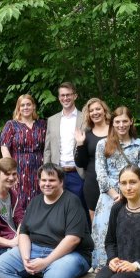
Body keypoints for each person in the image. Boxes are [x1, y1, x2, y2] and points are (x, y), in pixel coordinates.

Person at [0, 163, 93, 278]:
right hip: (35, 248)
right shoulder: (35, 201)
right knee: (2, 264)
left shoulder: (72, 202)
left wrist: (46, 262)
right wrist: (25, 258)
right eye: (43, 180)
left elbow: (73, 239)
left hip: (70, 254)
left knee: (56, 276)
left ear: (61, 182)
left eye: (52, 180)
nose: (47, 184)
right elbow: (24, 233)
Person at [91, 106, 140, 270]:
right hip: (109, 196)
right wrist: (115, 195)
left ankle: (130, 265)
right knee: (105, 232)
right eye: (117, 122)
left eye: (125, 121)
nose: (121, 125)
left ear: (131, 122)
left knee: (133, 231)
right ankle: (103, 266)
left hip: (134, 195)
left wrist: (129, 193)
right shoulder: (103, 144)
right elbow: (101, 173)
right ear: (112, 123)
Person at [43, 82, 86, 210]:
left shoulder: (85, 118)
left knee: (77, 209)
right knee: (56, 209)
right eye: (62, 95)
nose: (65, 98)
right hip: (56, 173)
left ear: (75, 96)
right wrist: (46, 172)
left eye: (68, 95)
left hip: (77, 173)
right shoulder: (52, 120)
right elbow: (48, 149)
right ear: (59, 97)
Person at [0, 94, 47, 207]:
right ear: (18, 108)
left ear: (33, 106)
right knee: (19, 199)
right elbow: (4, 147)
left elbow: (48, 147)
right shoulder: (11, 125)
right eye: (22, 105)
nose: (26, 107)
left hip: (39, 168)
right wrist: (10, 170)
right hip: (19, 169)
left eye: (28, 104)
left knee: (39, 198)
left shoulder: (42, 124)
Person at [74, 98, 111, 222]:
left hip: (114, 180)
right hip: (93, 183)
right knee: (95, 220)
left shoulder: (115, 131)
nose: (95, 112)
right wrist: (80, 143)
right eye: (91, 110)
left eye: (98, 109)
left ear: (104, 111)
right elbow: (80, 163)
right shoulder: (87, 135)